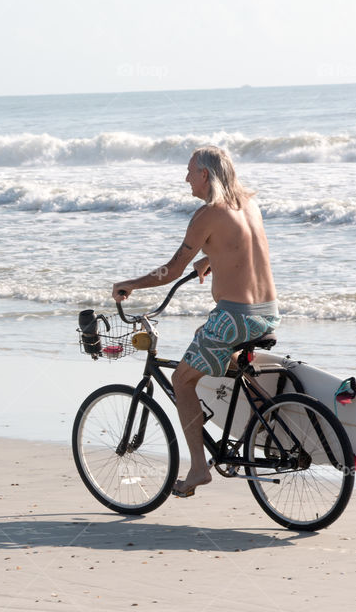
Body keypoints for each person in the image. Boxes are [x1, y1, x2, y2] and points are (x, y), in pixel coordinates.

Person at [112, 146, 280, 498]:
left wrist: (131, 284)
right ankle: (263, 418)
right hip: (267, 312)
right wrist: (210, 258)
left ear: (204, 174)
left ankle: (199, 469)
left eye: (189, 171)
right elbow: (242, 248)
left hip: (235, 317)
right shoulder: (249, 204)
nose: (185, 177)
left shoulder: (207, 214)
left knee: (182, 380)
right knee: (212, 343)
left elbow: (171, 270)